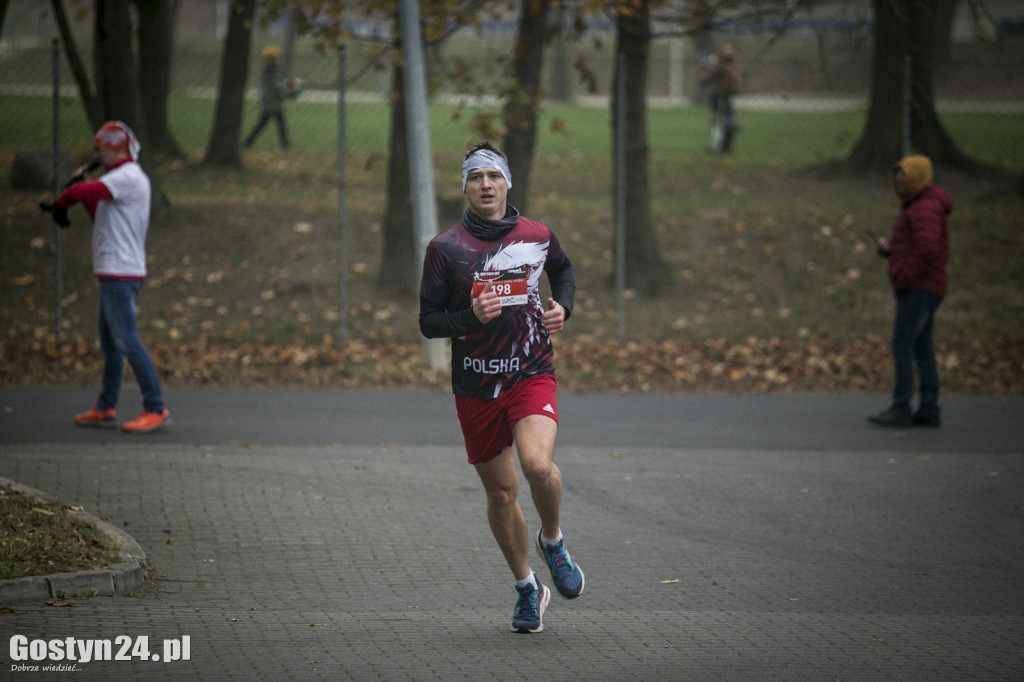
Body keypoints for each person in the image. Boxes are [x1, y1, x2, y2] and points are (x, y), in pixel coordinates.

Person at [419, 141, 584, 633]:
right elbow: (428, 322)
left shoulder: (536, 234)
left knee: (536, 465)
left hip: (531, 370)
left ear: (507, 182)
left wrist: (564, 307)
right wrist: (468, 318)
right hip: (476, 385)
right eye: (475, 177)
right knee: (500, 495)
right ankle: (528, 589)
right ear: (465, 187)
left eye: (493, 176)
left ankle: (552, 540)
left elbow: (564, 271)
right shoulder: (445, 249)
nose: (485, 185)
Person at [52, 121, 171, 434]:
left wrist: (62, 201)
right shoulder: (117, 180)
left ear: (115, 148)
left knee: (126, 340)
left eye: (100, 148)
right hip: (114, 270)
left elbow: (82, 192)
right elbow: (100, 214)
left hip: (121, 272)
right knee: (111, 344)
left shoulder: (128, 176)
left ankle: (155, 407)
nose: (96, 153)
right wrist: (80, 191)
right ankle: (105, 408)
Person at [869, 154, 952, 428]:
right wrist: (890, 252)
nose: (898, 179)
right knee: (921, 345)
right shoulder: (917, 206)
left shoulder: (924, 208)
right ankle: (928, 408)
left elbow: (926, 249)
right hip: (924, 286)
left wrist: (905, 276)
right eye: (896, 174)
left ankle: (902, 406)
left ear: (917, 177)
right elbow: (915, 247)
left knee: (903, 343)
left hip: (919, 288)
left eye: (903, 174)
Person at [698, 43, 743, 154]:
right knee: (727, 110)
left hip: (724, 90)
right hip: (733, 90)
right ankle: (730, 123)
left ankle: (717, 117)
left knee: (714, 99)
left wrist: (701, 80)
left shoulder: (721, 63)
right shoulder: (734, 61)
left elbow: (711, 75)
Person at [243, 45, 289, 150]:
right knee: (278, 125)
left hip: (268, 102)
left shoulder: (267, 71)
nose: (281, 58)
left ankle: (248, 142)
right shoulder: (273, 72)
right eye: (279, 57)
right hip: (273, 103)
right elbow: (277, 87)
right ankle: (285, 144)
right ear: (274, 59)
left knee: (265, 124)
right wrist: (285, 93)